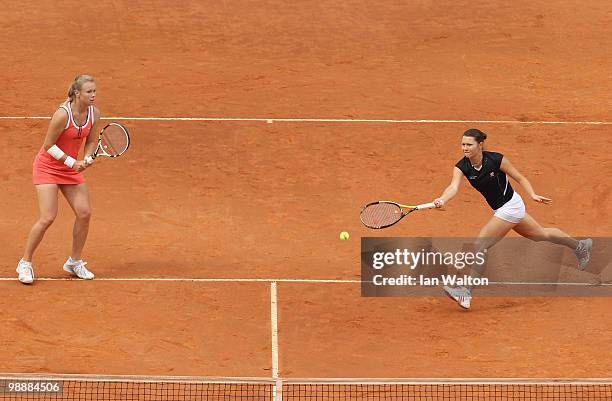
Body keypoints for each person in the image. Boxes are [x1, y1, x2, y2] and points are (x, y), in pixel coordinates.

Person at [433, 128, 592, 309]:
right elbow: (453, 187)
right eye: (463, 144)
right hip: (504, 208)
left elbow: (519, 177)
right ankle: (580, 246)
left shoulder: (495, 159)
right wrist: (442, 199)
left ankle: (466, 293)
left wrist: (532, 194)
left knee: (480, 245)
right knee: (540, 234)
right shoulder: (462, 166)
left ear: (480, 145)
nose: (465, 148)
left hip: (510, 206)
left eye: (469, 144)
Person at [16, 75, 100, 284]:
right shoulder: (62, 115)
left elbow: (91, 140)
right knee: (48, 217)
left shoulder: (94, 113)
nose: (93, 95)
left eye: (95, 91)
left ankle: (74, 261)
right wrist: (72, 162)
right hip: (48, 167)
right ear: (77, 93)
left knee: (84, 213)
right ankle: (25, 262)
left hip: (70, 169)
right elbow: (48, 145)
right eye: (89, 92)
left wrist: (87, 158)